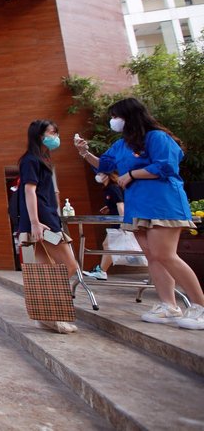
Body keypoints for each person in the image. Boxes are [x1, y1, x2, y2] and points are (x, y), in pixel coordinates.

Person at [75, 98, 204, 330]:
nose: (113, 121)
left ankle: (199, 305)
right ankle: (168, 306)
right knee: (153, 256)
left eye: (116, 116)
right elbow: (105, 165)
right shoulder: (121, 144)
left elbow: (166, 166)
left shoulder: (157, 137)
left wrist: (133, 174)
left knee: (165, 255)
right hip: (138, 205)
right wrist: (84, 153)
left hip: (162, 202)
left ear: (130, 116)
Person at [18, 119, 79, 334]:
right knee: (69, 265)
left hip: (44, 219)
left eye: (55, 132)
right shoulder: (31, 160)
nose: (55, 137)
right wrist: (35, 222)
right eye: (52, 133)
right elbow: (29, 191)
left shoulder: (42, 159)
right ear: (39, 135)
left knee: (46, 270)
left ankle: (47, 316)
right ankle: (51, 314)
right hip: (43, 222)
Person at [81, 171, 124, 281]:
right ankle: (102, 270)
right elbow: (116, 203)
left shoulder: (113, 188)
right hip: (116, 221)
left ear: (107, 175)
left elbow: (121, 204)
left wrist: (123, 222)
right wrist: (108, 207)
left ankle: (102, 271)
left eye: (100, 174)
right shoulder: (107, 189)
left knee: (108, 245)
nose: (98, 176)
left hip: (119, 222)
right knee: (107, 244)